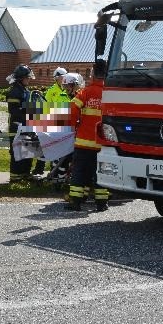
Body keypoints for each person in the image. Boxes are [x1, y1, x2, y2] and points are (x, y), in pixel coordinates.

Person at [66, 60, 110, 212]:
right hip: (103, 144)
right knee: (101, 172)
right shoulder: (111, 92)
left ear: (92, 73)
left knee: (79, 171)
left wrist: (72, 126)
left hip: (84, 142)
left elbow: (72, 110)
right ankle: (102, 203)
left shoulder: (85, 92)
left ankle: (76, 202)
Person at [6, 64, 40, 183]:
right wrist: (29, 113)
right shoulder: (14, 91)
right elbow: (14, 111)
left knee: (27, 149)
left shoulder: (24, 90)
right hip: (17, 126)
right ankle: (15, 178)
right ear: (21, 78)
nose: (29, 79)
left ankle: (25, 174)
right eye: (27, 77)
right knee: (17, 152)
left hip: (26, 125)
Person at [33, 67, 70, 176]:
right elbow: (45, 107)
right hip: (53, 122)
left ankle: (56, 170)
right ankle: (39, 170)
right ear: (57, 78)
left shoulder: (67, 89)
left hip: (65, 123)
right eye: (62, 77)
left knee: (61, 148)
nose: (64, 79)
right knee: (47, 147)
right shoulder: (52, 91)